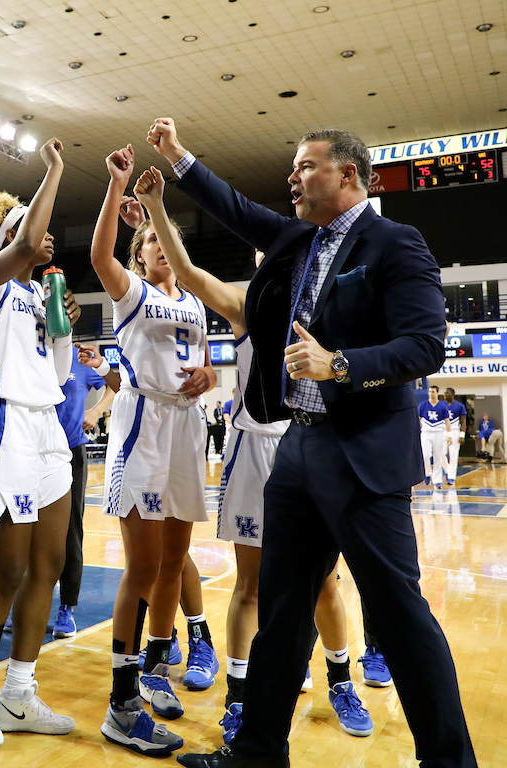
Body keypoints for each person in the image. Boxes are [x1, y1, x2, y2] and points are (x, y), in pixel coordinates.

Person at [148, 117, 477, 768]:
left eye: (305, 167)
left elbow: (425, 345)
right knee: (282, 608)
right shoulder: (300, 242)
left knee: (401, 617)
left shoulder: (394, 244)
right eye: (293, 167)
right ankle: (259, 751)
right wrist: (178, 157)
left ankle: (450, 759)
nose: (292, 177)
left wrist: (341, 364)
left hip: (362, 450)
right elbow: (235, 208)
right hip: (297, 449)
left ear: (346, 174)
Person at [134, 170, 373, 744]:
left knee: (324, 584)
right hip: (250, 446)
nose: (275, 251)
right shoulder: (245, 303)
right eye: (266, 245)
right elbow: (186, 272)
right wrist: (156, 208)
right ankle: (240, 698)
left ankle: (340, 679)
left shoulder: (329, 301)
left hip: (309, 442)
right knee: (250, 584)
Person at [0, 137, 89, 749]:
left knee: (49, 566)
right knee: (4, 569)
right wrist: (55, 169)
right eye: (22, 224)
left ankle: (18, 694)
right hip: (0, 425)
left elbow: (58, 376)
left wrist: (62, 329)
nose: (42, 236)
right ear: (2, 238)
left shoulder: (39, 294)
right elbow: (30, 242)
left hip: (46, 428)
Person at [83, 144, 216, 757]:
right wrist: (115, 189)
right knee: (140, 564)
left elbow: (206, 362)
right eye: (155, 242)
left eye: (171, 242)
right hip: (143, 423)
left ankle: (155, 667)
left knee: (176, 556)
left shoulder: (191, 300)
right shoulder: (131, 290)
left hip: (187, 424)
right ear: (142, 251)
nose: (164, 247)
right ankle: (120, 701)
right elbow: (98, 255)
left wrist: (209, 375)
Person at [51, 336, 116, 640]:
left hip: (72, 451)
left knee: (70, 529)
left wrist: (96, 411)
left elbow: (114, 385)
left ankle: (67, 607)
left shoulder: (81, 357)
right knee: (29, 528)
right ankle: (24, 599)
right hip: (36, 452)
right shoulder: (36, 352)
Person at [419, 385, 452, 489]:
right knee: (426, 455)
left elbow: (447, 421)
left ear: (437, 393)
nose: (431, 393)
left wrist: (449, 435)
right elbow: (418, 420)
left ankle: (437, 480)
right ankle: (428, 473)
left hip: (438, 432)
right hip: (426, 432)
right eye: (429, 391)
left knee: (438, 456)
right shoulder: (422, 405)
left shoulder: (442, 406)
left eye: (433, 391)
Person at [443, 388, 467, 483]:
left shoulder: (460, 406)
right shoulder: (441, 405)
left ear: (452, 394)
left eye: (447, 393)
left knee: (453, 454)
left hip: (454, 430)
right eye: (444, 393)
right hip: (443, 430)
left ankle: (451, 477)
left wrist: (462, 434)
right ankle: (448, 471)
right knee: (440, 453)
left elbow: (463, 421)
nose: (445, 394)